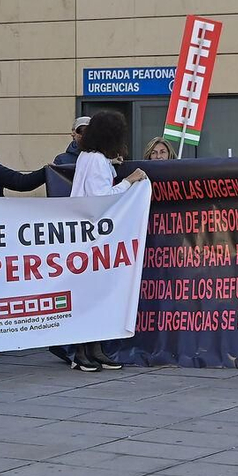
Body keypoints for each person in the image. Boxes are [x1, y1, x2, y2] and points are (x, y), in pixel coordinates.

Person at [68, 111, 146, 373]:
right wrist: (128, 181)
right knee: (94, 296)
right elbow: (102, 198)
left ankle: (91, 351)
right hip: (94, 235)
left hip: (82, 234)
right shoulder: (98, 161)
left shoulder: (87, 157)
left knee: (88, 296)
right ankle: (85, 352)